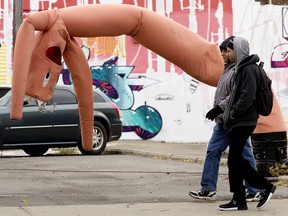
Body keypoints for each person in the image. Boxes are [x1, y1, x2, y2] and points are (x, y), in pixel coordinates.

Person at [189, 36, 259, 201]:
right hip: (223, 122)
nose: (223, 53)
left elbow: (237, 95)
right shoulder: (228, 69)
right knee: (213, 151)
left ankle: (253, 189)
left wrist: (218, 108)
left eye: (226, 50)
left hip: (235, 121)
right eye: (222, 50)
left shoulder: (240, 70)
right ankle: (207, 188)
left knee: (244, 155)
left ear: (235, 52)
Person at [218, 36, 276, 211]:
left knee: (235, 160)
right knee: (235, 161)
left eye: (230, 50)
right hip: (242, 121)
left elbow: (247, 97)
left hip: (244, 121)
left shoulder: (248, 69)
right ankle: (240, 199)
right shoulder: (242, 68)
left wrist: (233, 114)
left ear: (239, 50)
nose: (227, 53)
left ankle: (263, 187)